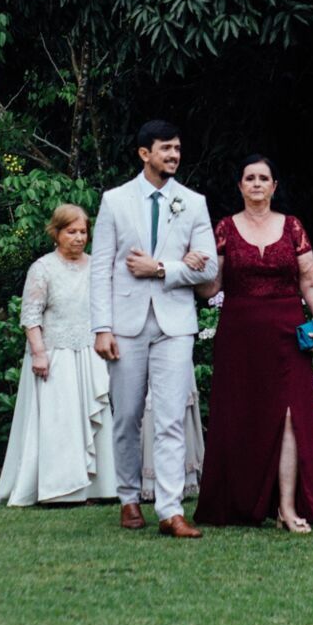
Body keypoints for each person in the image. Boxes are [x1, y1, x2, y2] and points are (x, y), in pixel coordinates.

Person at [193, 154, 313, 532]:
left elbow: (312, 281)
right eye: (249, 178)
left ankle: (287, 508)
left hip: (287, 333)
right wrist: (193, 265)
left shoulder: (292, 227)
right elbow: (210, 289)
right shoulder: (224, 228)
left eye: (263, 178)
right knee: (240, 416)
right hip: (238, 335)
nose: (256, 184)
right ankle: (241, 501)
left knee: (290, 416)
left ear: (274, 186)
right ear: (240, 187)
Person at [91, 120, 218, 537]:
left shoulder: (193, 202)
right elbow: (101, 269)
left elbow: (211, 267)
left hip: (176, 323)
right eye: (166, 149)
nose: (174, 155)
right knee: (126, 416)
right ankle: (129, 499)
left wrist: (162, 268)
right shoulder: (114, 201)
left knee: (169, 418)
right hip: (125, 325)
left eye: (178, 149)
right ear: (144, 153)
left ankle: (170, 510)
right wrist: (101, 328)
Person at [0, 204, 118, 506]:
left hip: (90, 352)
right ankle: (60, 489)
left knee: (94, 417)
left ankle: (98, 488)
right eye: (71, 232)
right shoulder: (43, 268)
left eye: (83, 232)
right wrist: (39, 352)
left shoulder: (96, 266)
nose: (78, 238)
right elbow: (31, 314)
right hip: (54, 353)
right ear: (56, 232)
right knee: (60, 421)